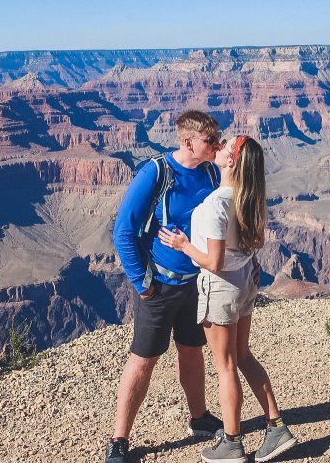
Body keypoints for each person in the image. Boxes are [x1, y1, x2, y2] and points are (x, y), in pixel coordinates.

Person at [159, 135, 297, 463]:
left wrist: (182, 246)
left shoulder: (215, 203)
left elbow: (213, 261)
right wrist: (250, 264)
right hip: (245, 282)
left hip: (221, 287)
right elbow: (256, 241)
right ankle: (276, 427)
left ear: (230, 161)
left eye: (224, 146)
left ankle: (232, 442)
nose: (218, 146)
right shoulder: (249, 197)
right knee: (244, 357)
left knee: (226, 366)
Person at [105, 110, 226, 463]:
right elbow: (123, 231)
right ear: (188, 141)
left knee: (192, 349)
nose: (216, 145)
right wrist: (143, 285)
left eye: (218, 140)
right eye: (210, 141)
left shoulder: (212, 172)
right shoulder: (156, 174)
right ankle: (119, 439)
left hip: (197, 283)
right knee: (143, 360)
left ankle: (199, 417)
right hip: (159, 284)